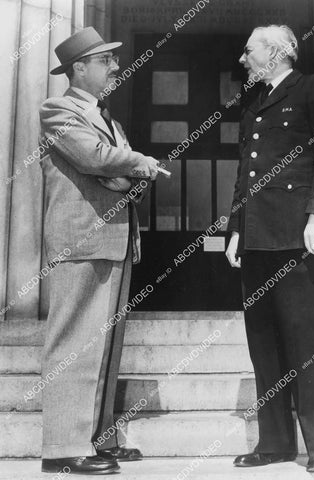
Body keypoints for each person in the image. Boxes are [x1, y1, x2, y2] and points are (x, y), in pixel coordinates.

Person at [226, 25, 314, 473]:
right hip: (258, 240)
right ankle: (275, 443)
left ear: (276, 52)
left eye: (249, 49)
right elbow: (247, 173)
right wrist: (237, 230)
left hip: (300, 239)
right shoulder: (253, 103)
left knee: (308, 344)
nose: (243, 59)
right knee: (264, 343)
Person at [39, 27, 159, 475]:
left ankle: (95, 439)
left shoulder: (111, 120)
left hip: (115, 239)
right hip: (80, 240)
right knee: (74, 343)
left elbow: (114, 170)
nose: (114, 68)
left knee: (105, 346)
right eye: (105, 61)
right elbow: (94, 158)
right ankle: (62, 449)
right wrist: (138, 162)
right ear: (79, 68)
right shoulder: (56, 110)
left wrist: (124, 171)